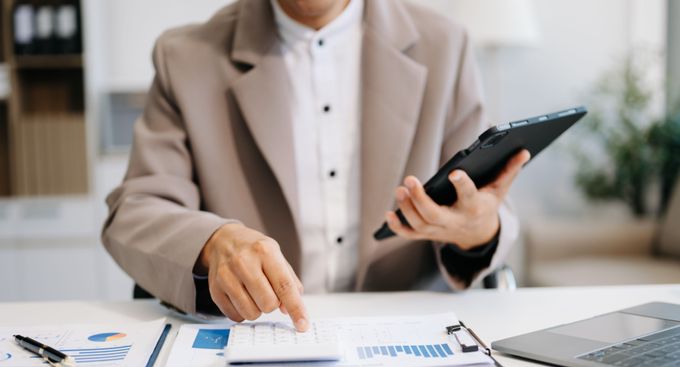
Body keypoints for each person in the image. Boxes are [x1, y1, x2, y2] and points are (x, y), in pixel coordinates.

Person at [102, 0, 530, 332]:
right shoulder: (184, 57)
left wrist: (478, 231)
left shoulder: (445, 43)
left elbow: (486, 206)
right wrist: (213, 243)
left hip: (409, 338)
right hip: (254, 341)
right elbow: (136, 208)